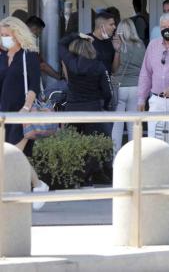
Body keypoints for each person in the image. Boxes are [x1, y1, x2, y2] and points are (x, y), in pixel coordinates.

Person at [0, 17, 49, 209]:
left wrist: (27, 108)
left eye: (6, 34)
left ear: (17, 34)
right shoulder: (2, 57)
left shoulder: (28, 56)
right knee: (12, 155)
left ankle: (30, 188)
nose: (3, 38)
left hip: (22, 113)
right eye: (1, 35)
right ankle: (38, 185)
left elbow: (34, 85)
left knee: (11, 155)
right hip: (4, 114)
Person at [58, 32, 112, 136]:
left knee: (72, 142)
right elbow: (107, 92)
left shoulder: (70, 62)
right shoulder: (99, 65)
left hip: (72, 108)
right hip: (93, 108)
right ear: (91, 49)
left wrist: (78, 35)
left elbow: (61, 44)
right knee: (94, 142)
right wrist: (105, 105)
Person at [110, 18, 146, 153]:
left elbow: (114, 70)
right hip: (136, 87)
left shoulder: (118, 45)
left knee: (117, 125)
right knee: (133, 125)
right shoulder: (141, 45)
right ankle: (134, 157)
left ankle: (115, 157)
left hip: (120, 88)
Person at [25, 15, 62, 81]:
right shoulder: (28, 44)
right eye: (39, 32)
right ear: (34, 29)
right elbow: (42, 65)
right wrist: (60, 77)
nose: (39, 36)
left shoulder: (18, 40)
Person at [90, 11, 116, 75]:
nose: (114, 27)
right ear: (102, 27)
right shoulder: (87, 40)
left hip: (106, 81)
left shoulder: (110, 42)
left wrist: (117, 51)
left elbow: (114, 70)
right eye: (111, 24)